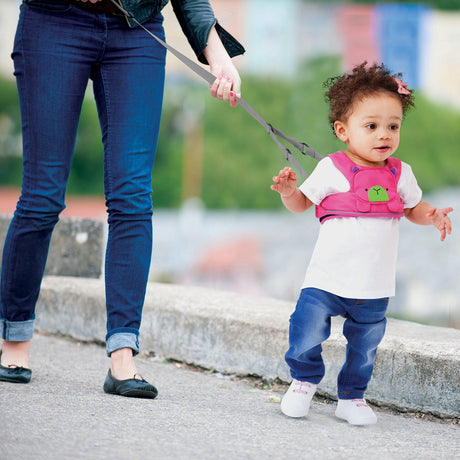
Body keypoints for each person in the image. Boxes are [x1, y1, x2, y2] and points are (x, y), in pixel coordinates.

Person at [0, 0, 244, 398]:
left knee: (132, 197)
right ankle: (14, 342)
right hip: (54, 21)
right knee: (42, 196)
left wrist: (217, 56)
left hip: (136, 28)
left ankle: (123, 357)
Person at [271, 62, 453, 425]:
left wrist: (431, 214)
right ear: (343, 130)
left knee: (365, 346)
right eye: (371, 126)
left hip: (373, 285)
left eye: (392, 126)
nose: (383, 134)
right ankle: (303, 381)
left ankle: (352, 396)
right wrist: (289, 191)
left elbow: (413, 207)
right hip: (326, 280)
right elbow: (301, 205)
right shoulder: (331, 169)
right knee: (306, 329)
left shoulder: (401, 173)